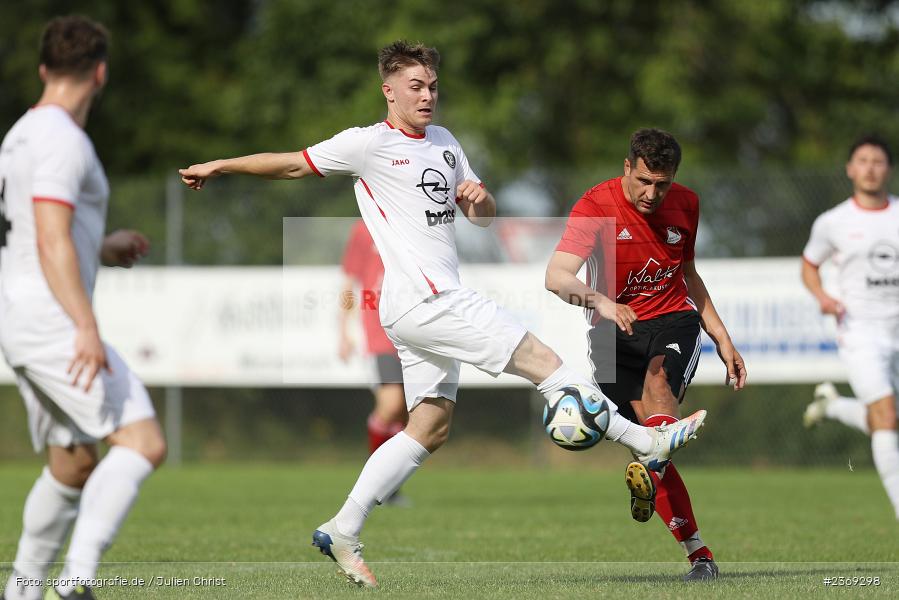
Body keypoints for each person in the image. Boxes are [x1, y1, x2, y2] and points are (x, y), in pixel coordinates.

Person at [179, 42, 707, 588]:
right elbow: (292, 162)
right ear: (389, 91)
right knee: (546, 363)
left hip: (419, 307)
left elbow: (482, 216)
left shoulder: (446, 143)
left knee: (430, 426)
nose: (427, 95)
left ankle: (343, 528)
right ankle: (644, 441)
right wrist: (221, 165)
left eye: (432, 86)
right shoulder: (368, 144)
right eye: (416, 87)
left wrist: (479, 200)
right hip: (426, 299)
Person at [0, 16, 166, 600]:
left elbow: (34, 235)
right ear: (100, 74)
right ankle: (76, 582)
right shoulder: (62, 139)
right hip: (52, 321)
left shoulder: (19, 136)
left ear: (44, 69)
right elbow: (49, 240)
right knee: (143, 441)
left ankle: (22, 591)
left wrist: (100, 245)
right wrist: (85, 326)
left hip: (18, 317)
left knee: (72, 463)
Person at [546, 128, 747, 582]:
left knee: (659, 386)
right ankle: (698, 551)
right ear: (627, 167)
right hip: (611, 333)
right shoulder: (594, 206)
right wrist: (601, 302)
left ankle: (653, 480)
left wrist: (721, 336)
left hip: (673, 319)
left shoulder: (687, 204)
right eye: (643, 182)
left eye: (662, 184)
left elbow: (689, 273)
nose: (652, 194)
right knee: (652, 442)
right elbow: (556, 276)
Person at [801, 134, 899, 520]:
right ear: (850, 169)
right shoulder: (834, 222)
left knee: (888, 421)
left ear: (888, 169)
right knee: (886, 416)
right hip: (860, 332)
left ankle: (834, 406)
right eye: (863, 160)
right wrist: (822, 296)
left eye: (878, 161)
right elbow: (809, 265)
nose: (870, 168)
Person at [338, 219, 409, 503]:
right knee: (391, 405)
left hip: (413, 328)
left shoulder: (410, 217)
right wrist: (343, 330)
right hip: (379, 333)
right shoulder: (363, 228)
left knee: (406, 414)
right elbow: (349, 284)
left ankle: (389, 489)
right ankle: (374, 485)